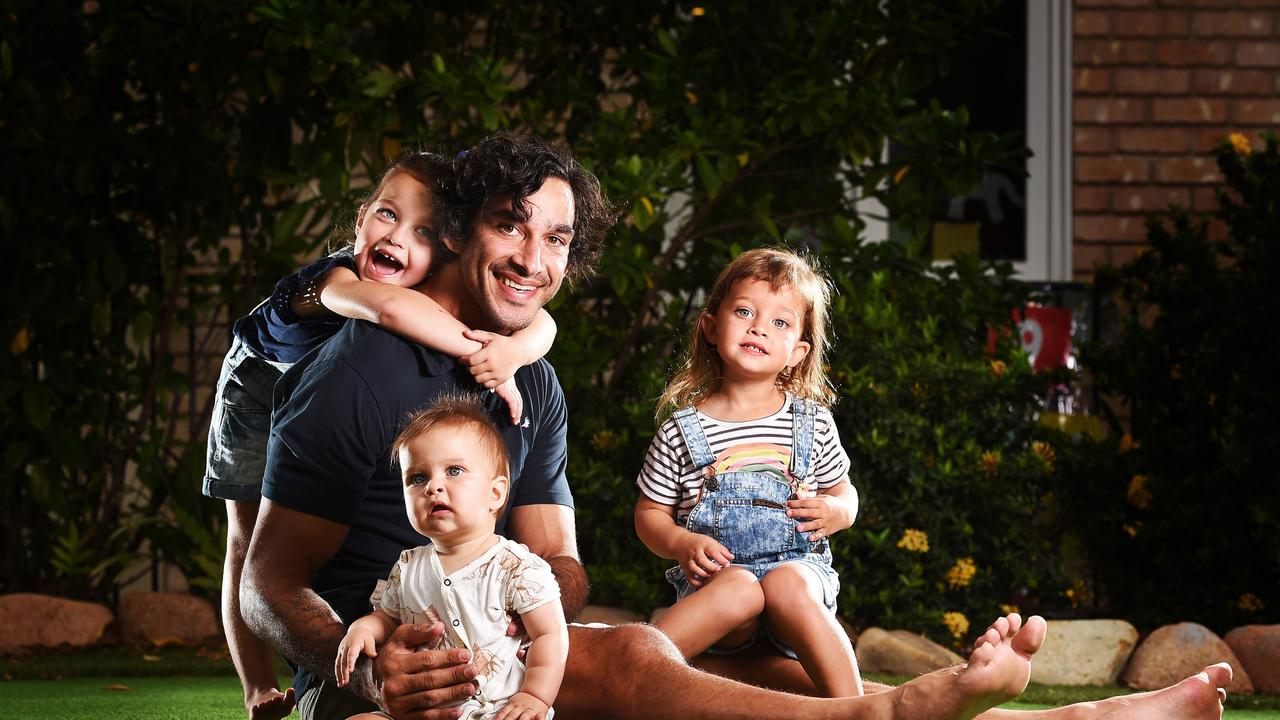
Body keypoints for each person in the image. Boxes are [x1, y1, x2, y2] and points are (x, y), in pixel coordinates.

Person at [241, 131, 1234, 720]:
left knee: (736, 669)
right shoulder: (361, 370)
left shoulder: (527, 386)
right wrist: (364, 667)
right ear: (458, 230)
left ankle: (1102, 715)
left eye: (556, 239)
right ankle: (905, 708)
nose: (533, 259)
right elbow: (269, 582)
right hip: (380, 688)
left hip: (506, 661)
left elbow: (563, 564)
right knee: (637, 660)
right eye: (512, 224)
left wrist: (524, 599)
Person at [205, 150, 556, 720]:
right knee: (247, 538)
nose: (397, 237)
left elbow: (544, 322)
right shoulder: (339, 279)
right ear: (363, 215)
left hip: (318, 379)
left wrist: (512, 350)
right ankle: (257, 689)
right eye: (387, 215)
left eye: (423, 230)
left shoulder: (423, 287)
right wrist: (487, 357)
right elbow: (389, 309)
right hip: (256, 379)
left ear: (448, 246)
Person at [636, 248, 862, 697]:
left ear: (798, 352)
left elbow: (845, 491)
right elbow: (649, 515)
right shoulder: (682, 431)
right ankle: (628, 671)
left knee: (785, 583)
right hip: (718, 591)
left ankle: (854, 707)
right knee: (740, 586)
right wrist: (681, 541)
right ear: (711, 326)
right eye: (744, 311)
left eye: (781, 322)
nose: (759, 327)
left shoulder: (811, 423)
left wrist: (838, 511)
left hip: (797, 578)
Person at [335, 391, 568, 720]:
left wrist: (534, 696)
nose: (433, 487)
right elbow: (386, 619)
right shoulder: (408, 567)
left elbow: (550, 633)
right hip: (421, 711)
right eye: (418, 478)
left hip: (498, 709)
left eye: (454, 470)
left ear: (495, 492)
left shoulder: (515, 566)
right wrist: (362, 629)